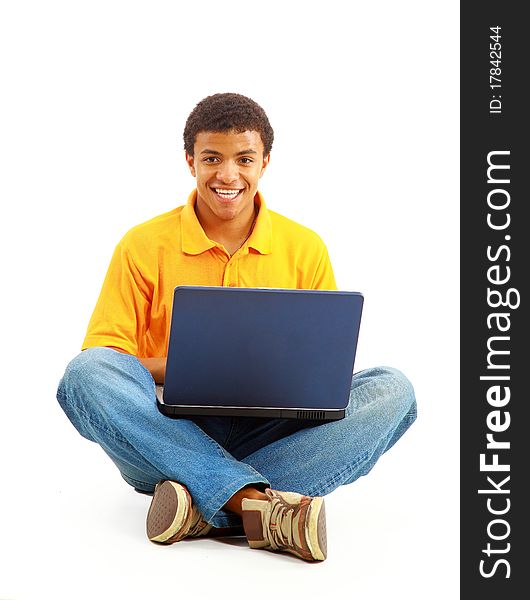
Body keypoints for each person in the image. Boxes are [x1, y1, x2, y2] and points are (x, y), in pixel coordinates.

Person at [57, 92, 417, 563]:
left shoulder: (304, 248)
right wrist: (185, 367)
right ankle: (256, 507)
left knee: (395, 390)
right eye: (212, 158)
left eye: (244, 159)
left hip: (272, 430)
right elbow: (110, 362)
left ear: (265, 162)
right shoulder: (142, 245)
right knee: (86, 372)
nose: (228, 175)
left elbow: (325, 371)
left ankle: (198, 504)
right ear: (190, 161)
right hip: (169, 430)